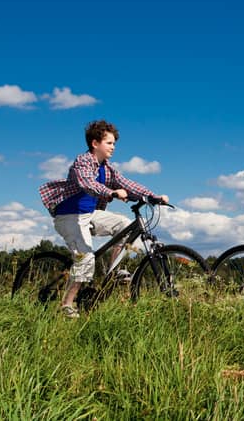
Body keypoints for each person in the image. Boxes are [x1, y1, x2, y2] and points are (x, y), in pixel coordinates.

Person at [39, 120, 168, 318]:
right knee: (86, 259)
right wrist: (112, 192)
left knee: (125, 225)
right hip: (69, 216)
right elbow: (88, 184)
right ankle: (67, 304)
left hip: (90, 215)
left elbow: (127, 183)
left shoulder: (107, 169)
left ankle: (113, 271)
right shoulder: (83, 162)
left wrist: (153, 196)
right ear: (95, 143)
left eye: (114, 143)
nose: (113, 147)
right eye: (109, 143)